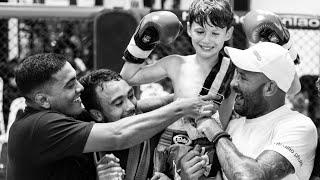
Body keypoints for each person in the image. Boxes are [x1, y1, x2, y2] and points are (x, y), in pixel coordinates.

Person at [7, 53, 215, 180]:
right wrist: (180, 107)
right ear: (43, 100)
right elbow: (119, 133)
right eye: (70, 85)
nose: (79, 87)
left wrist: (174, 97)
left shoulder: (62, 115)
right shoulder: (40, 126)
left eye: (76, 79)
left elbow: (130, 111)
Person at [121, 1, 235, 178]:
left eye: (215, 33)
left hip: (206, 148)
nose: (206, 40)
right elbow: (129, 76)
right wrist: (142, 42)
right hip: (169, 143)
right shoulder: (176, 63)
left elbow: (226, 122)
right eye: (200, 31)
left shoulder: (232, 69)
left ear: (228, 33)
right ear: (189, 29)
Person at [192, 42, 317, 180]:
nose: (234, 84)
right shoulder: (234, 125)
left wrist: (215, 133)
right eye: (236, 74)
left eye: (243, 77)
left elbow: (249, 177)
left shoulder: (298, 126)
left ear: (269, 88)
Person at [79, 68, 170, 179]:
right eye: (118, 103)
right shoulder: (81, 147)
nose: (131, 106)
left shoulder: (159, 124)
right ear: (97, 115)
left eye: (131, 95)